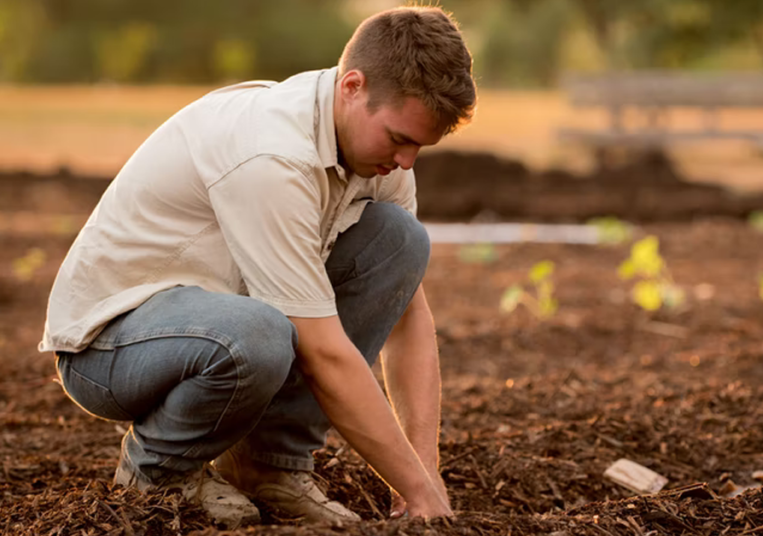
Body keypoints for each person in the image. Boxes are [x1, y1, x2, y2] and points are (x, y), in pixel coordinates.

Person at [38, 6, 475, 529]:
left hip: (218, 321)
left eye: (419, 146)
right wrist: (411, 485)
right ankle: (159, 471)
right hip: (109, 345)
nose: (407, 162)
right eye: (399, 138)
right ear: (353, 87)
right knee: (260, 334)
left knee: (400, 241)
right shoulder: (272, 155)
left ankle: (269, 466)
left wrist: (426, 475)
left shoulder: (377, 159)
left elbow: (407, 316)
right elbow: (324, 355)